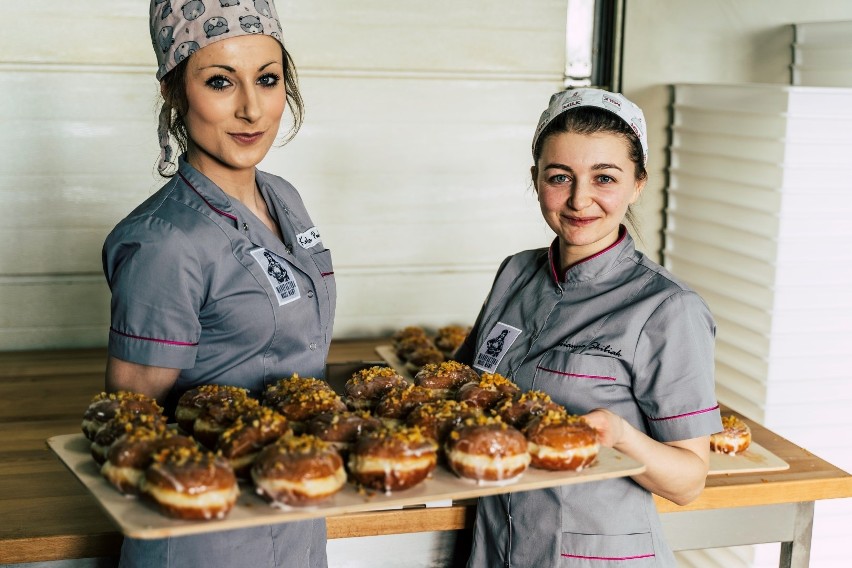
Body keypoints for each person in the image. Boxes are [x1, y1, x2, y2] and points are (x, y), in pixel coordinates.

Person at [102, 1, 334, 566]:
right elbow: (131, 429)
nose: (252, 109)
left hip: (297, 515)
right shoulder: (165, 242)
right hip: (206, 538)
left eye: (268, 79)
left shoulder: (285, 198)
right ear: (175, 92)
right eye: (220, 82)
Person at [454, 88, 722, 567]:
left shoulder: (666, 309)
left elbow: (688, 481)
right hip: (495, 545)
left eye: (604, 178)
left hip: (595, 555)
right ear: (535, 179)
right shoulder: (515, 273)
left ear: (638, 184)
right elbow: (467, 385)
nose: (580, 200)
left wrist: (621, 435)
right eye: (560, 177)